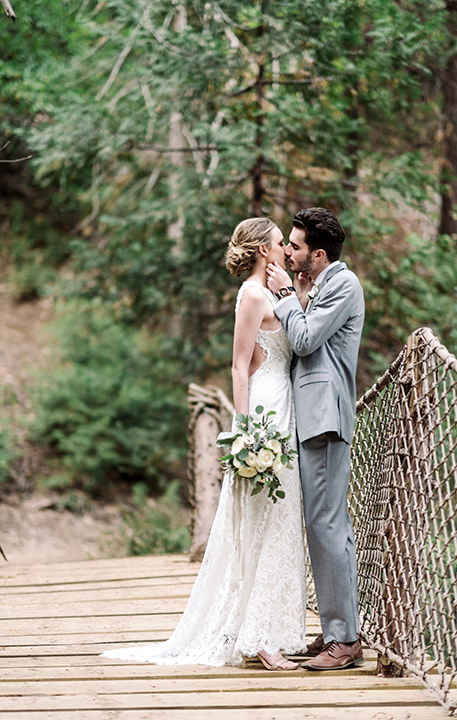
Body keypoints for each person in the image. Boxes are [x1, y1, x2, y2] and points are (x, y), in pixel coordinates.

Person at [102, 217, 306, 670]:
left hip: (287, 409)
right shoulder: (253, 295)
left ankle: (272, 629)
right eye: (278, 244)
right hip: (267, 409)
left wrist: (290, 292)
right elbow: (238, 366)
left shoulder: (275, 291)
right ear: (261, 251)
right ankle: (259, 639)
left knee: (282, 519)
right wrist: (247, 429)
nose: (284, 250)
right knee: (261, 519)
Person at [266, 207, 365, 671]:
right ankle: (333, 633)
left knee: (327, 526)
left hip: (325, 417)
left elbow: (305, 342)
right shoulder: (322, 284)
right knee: (319, 526)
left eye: (295, 245)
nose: (287, 250)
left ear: (318, 253)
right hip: (309, 416)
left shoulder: (344, 284)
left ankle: (345, 640)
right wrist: (300, 296)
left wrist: (287, 295)